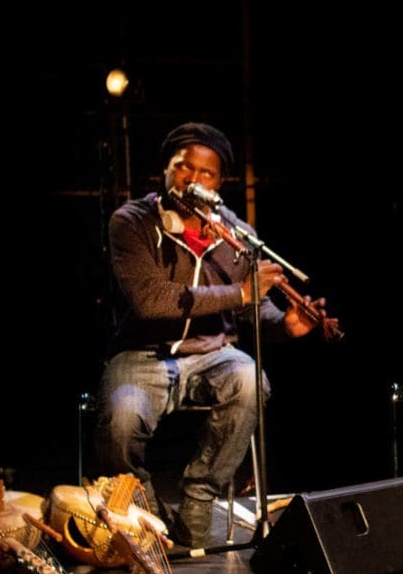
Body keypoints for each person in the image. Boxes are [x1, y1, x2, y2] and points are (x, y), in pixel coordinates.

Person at [95, 122, 331, 548]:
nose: (193, 178)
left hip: (212, 353)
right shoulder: (131, 222)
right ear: (165, 172)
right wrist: (239, 292)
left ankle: (199, 500)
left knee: (249, 378)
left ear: (220, 182)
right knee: (121, 417)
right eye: (183, 167)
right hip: (142, 353)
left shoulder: (237, 235)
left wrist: (287, 325)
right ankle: (146, 509)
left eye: (206, 172)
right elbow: (153, 299)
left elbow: (253, 313)